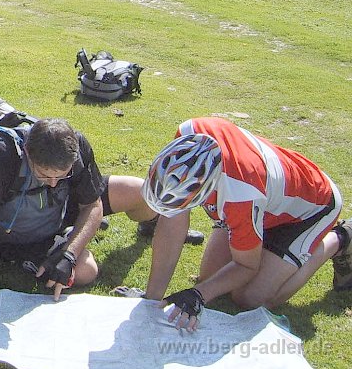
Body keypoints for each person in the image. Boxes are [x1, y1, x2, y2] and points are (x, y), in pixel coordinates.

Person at [0, 117, 198, 316]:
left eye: (61, 175)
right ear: (29, 153)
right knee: (88, 271)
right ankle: (47, 250)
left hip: (59, 207)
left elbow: (93, 204)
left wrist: (69, 255)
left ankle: (151, 226)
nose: (53, 182)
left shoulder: (75, 145)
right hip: (17, 230)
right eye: (44, 175)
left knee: (142, 192)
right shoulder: (0, 157)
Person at [142, 116, 351, 331]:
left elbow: (246, 266)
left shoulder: (240, 195)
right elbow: (173, 218)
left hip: (309, 209)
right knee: (210, 277)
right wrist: (152, 299)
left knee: (250, 297)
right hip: (265, 197)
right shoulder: (188, 133)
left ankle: (340, 238)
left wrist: (198, 294)